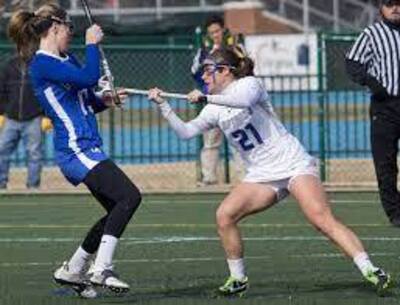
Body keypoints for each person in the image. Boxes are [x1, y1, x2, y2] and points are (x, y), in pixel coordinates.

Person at [149, 48, 391, 296]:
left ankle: (371, 270)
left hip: (293, 164)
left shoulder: (250, 85)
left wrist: (204, 98)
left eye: (208, 73)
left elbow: (241, 102)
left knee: (321, 220)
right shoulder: (213, 108)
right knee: (224, 216)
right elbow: (186, 132)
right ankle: (238, 278)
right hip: (262, 176)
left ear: (224, 71)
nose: (204, 79)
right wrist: (164, 106)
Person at [8, 3, 142, 297]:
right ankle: (101, 269)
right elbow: (88, 78)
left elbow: (85, 98)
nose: (72, 33)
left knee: (116, 208)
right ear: (55, 27)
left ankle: (73, 269)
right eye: (70, 28)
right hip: (75, 149)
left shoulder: (66, 59)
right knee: (130, 196)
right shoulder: (42, 63)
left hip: (87, 146)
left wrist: (105, 99)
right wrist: (92, 43)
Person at [346, 0, 400, 227]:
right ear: (381, 8)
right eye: (390, 4)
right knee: (385, 163)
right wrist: (373, 83)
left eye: (398, 3)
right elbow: (353, 63)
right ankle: (395, 213)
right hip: (385, 107)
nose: (395, 8)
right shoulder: (371, 33)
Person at [191, 15, 245, 186]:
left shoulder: (234, 47)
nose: (215, 35)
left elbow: (245, 67)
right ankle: (209, 177)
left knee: (238, 141)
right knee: (210, 142)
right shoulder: (205, 51)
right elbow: (194, 71)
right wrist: (205, 87)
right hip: (214, 101)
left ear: (223, 30)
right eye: (211, 33)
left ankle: (245, 178)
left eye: (217, 31)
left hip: (233, 100)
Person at [0, 54, 50, 189]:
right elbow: (2, 90)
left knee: (35, 154)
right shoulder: (9, 65)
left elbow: (47, 92)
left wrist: (46, 116)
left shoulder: (40, 66)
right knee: (2, 150)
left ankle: (33, 187)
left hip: (34, 118)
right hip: (11, 118)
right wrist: (1, 112)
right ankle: (1, 184)